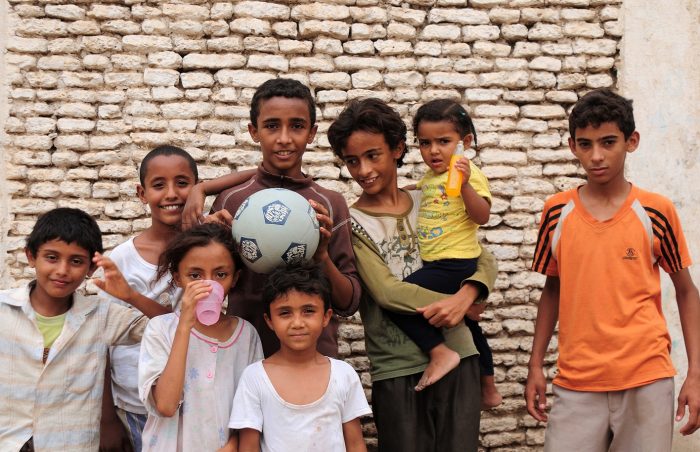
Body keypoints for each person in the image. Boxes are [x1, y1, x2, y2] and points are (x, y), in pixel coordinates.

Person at [526, 88, 700, 451]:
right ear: (572, 146)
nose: (597, 156)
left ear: (631, 141)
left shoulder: (656, 211)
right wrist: (535, 366)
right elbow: (553, 289)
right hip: (575, 382)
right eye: (585, 144)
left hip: (646, 379)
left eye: (608, 142)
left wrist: (695, 374)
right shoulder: (556, 212)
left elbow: (686, 291)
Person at [327, 98, 498, 452]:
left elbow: (482, 257)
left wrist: (468, 296)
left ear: (398, 149)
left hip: (459, 353)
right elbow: (387, 293)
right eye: (352, 161)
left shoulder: (432, 197)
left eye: (373, 155)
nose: (363, 170)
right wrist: (455, 302)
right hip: (397, 367)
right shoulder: (353, 223)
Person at [182, 78, 361, 357]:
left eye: (297, 126)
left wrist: (321, 256)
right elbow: (209, 286)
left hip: (315, 359)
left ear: (312, 133)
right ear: (254, 131)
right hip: (245, 355)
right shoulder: (231, 202)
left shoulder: (330, 204)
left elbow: (349, 303)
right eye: (272, 125)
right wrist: (213, 248)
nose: (284, 138)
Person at [100, 145, 234, 451]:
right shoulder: (123, 259)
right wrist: (106, 417)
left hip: (199, 398)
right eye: (159, 185)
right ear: (141, 193)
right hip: (134, 401)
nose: (172, 194)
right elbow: (102, 340)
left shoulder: (205, 253)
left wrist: (206, 189)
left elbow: (261, 172)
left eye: (184, 183)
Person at [0, 207, 157, 452]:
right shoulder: (3, 310)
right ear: (31, 257)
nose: (62, 270)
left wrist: (131, 296)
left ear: (92, 268)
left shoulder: (101, 316)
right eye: (51, 257)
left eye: (76, 261)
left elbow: (173, 328)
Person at [382, 99, 501, 405]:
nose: (433, 151)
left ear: (466, 143)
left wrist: (464, 186)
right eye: (425, 143)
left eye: (444, 142)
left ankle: (440, 352)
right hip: (440, 262)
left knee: (398, 299)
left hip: (456, 263)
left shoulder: (468, 173)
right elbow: (421, 191)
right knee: (470, 326)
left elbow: (482, 215)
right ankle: (489, 388)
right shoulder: (433, 176)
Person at [138, 223, 263, 451]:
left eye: (221, 274)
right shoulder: (160, 329)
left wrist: (233, 445)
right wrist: (185, 325)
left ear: (235, 279)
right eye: (195, 275)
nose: (208, 284)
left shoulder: (246, 335)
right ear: (178, 278)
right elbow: (165, 405)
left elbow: (252, 410)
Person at [228, 262, 371, 452]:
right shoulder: (254, 378)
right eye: (285, 313)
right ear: (269, 320)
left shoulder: (343, 375)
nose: (297, 323)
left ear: (326, 317)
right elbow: (248, 448)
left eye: (308, 311)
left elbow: (355, 445)